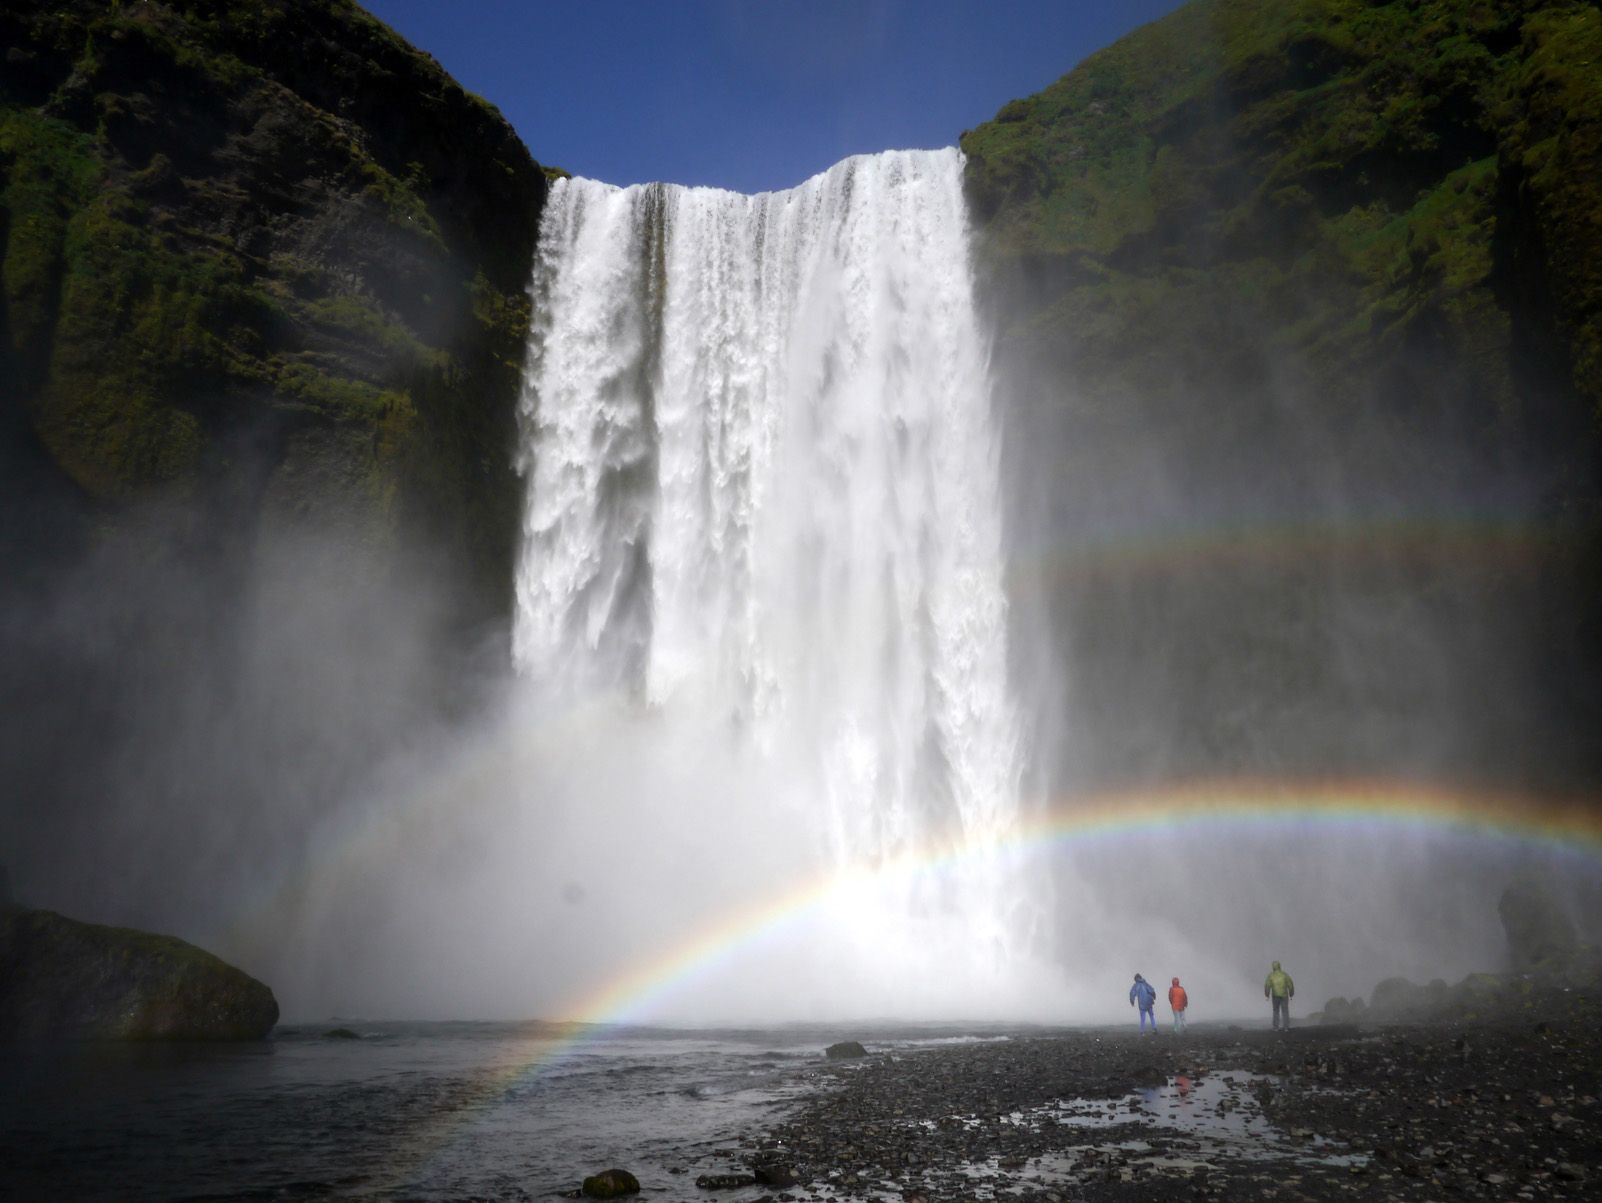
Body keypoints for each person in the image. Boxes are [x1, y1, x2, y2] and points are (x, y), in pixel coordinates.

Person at [1264, 960, 1295, 1030]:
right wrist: (1291, 994)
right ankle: (1286, 1027)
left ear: (1273, 967)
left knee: (1275, 1011)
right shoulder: (1284, 975)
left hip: (1275, 995)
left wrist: (1267, 995)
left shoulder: (1271, 976)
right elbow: (1290, 984)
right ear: (1279, 966)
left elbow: (1267, 986)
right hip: (1284, 995)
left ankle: (1276, 1027)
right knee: (1285, 1011)